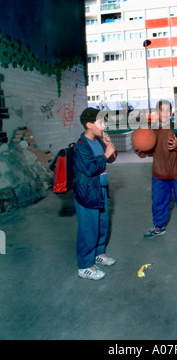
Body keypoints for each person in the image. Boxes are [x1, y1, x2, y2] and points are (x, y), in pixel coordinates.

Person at [133, 100, 177, 249]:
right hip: (159, 173)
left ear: (171, 112)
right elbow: (150, 150)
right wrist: (141, 151)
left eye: (168, 110)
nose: (165, 113)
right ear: (157, 112)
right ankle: (159, 227)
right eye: (162, 110)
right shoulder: (152, 130)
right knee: (159, 202)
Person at [73, 107, 117, 280]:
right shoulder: (81, 146)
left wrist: (108, 147)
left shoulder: (98, 141)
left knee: (102, 223)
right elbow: (90, 168)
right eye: (101, 122)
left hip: (101, 190)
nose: (104, 125)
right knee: (88, 228)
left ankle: (98, 253)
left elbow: (111, 159)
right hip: (87, 194)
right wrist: (105, 155)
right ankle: (84, 266)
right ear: (89, 124)